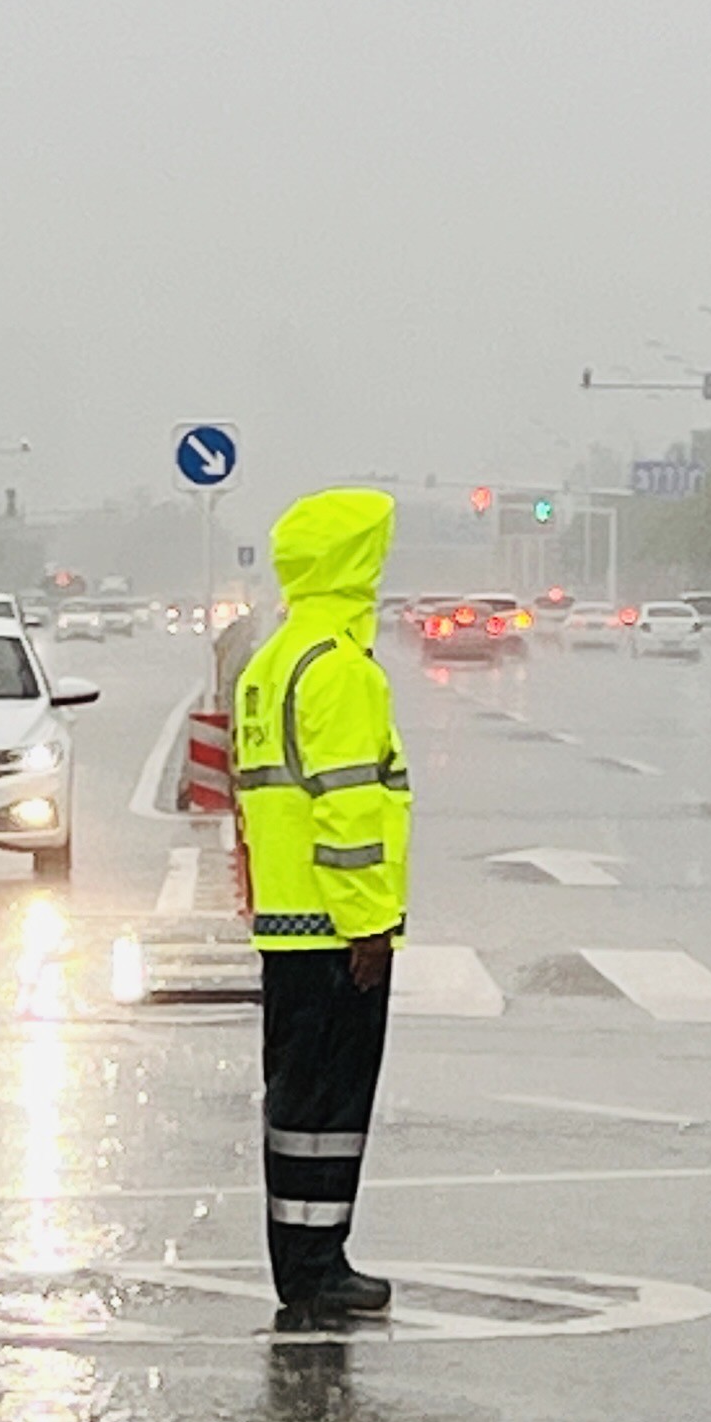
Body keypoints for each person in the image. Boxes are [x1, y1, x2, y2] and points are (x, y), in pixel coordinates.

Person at [231, 487, 412, 1329]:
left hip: (288, 920)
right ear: (355, 566)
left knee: (297, 1106)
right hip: (336, 928)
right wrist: (369, 922)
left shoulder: (272, 661)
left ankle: (306, 1261)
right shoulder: (339, 668)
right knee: (329, 1109)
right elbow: (348, 807)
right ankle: (316, 1268)